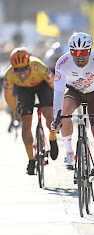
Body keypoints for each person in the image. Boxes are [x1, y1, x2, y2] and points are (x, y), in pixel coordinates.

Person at [51, 32, 94, 199]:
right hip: (74, 91)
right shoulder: (62, 63)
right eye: (75, 52)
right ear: (70, 52)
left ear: (90, 51)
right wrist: (57, 117)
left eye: (84, 52)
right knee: (66, 109)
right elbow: (59, 92)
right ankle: (69, 152)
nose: (80, 56)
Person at [4, 47, 58, 175]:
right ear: (13, 69)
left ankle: (52, 138)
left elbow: (54, 84)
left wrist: (58, 103)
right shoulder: (9, 75)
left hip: (43, 86)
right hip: (24, 90)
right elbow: (8, 96)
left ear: (29, 64)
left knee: (49, 116)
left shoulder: (38, 66)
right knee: (26, 124)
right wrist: (15, 110)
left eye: (24, 68)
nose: (21, 73)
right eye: (17, 70)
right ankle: (31, 160)